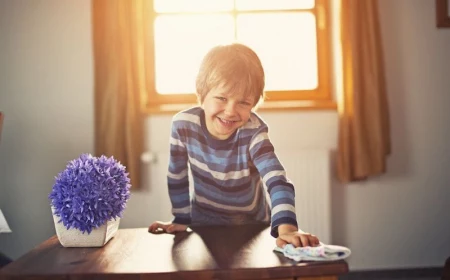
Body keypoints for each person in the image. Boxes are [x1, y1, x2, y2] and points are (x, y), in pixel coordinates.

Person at [149, 43, 320, 248]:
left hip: (253, 227)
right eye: (221, 98)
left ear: (254, 104)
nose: (230, 111)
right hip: (203, 225)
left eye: (244, 103)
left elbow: (277, 180)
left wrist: (287, 228)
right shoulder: (183, 125)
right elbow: (177, 174)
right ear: (201, 95)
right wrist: (181, 218)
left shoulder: (254, 133)